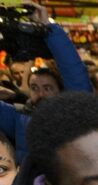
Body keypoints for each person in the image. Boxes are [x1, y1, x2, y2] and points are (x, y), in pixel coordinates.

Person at [0, 2, 91, 163]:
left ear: (61, 91)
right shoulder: (19, 118)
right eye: (34, 87)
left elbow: (74, 72)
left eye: (48, 88)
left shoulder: (73, 117)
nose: (40, 94)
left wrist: (49, 28)